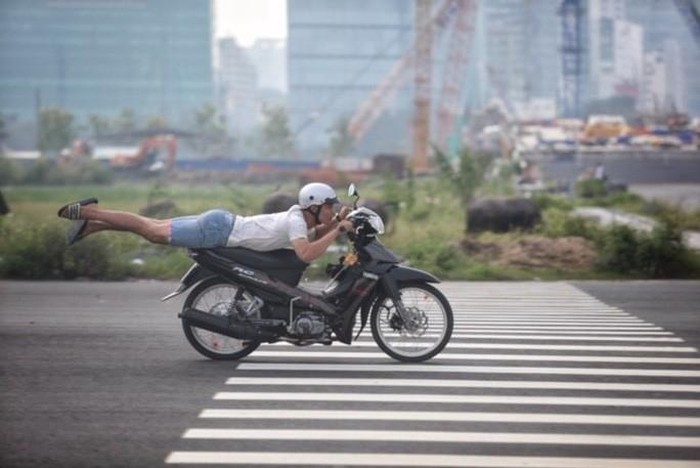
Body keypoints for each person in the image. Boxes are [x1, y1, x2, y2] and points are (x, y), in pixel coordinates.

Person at [57, 182, 352, 264]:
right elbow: (306, 254)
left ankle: (96, 225)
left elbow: (319, 232)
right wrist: (338, 229)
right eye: (329, 207)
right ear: (314, 207)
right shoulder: (297, 223)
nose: (331, 211)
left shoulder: (299, 219)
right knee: (150, 230)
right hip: (218, 230)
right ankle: (91, 212)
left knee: (151, 226)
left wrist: (338, 222)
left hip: (220, 224)